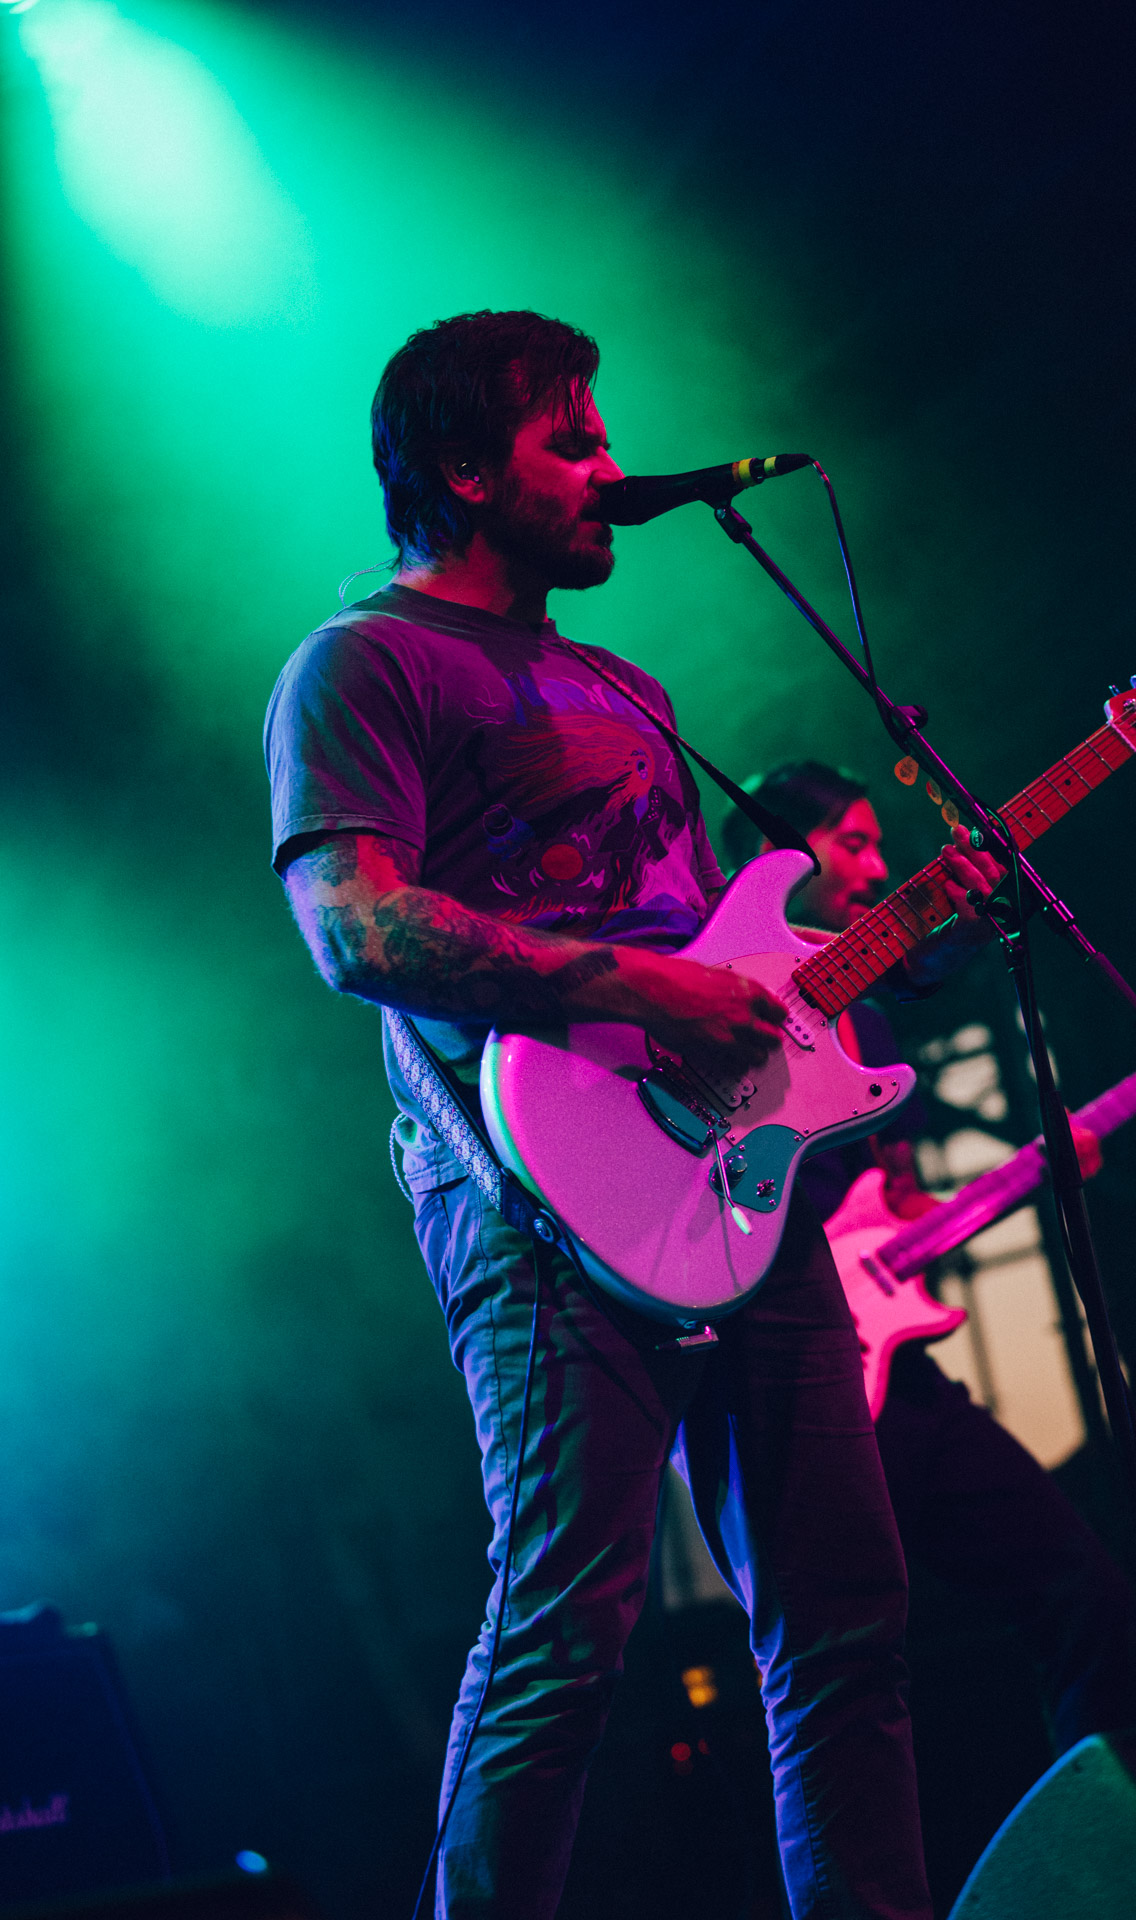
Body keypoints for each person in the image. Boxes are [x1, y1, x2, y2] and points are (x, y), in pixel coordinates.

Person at [263, 310, 1003, 1920]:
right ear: (468, 471)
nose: (612, 469)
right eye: (572, 443)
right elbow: (355, 930)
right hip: (530, 1200)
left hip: (738, 1184)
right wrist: (645, 993)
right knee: (566, 1632)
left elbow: (723, 957)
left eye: (604, 438)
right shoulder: (366, 664)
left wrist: (859, 965)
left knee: (843, 1617)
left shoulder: (627, 683)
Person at [721, 761, 1136, 1754]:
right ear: (776, 857)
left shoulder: (868, 1021)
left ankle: (1097, 1838)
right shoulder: (716, 994)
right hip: (780, 1368)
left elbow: (897, 1206)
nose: (876, 869)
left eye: (878, 845)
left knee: (1085, 1590)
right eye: (853, 844)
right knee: (843, 1660)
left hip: (896, 1378)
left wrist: (1028, 1176)